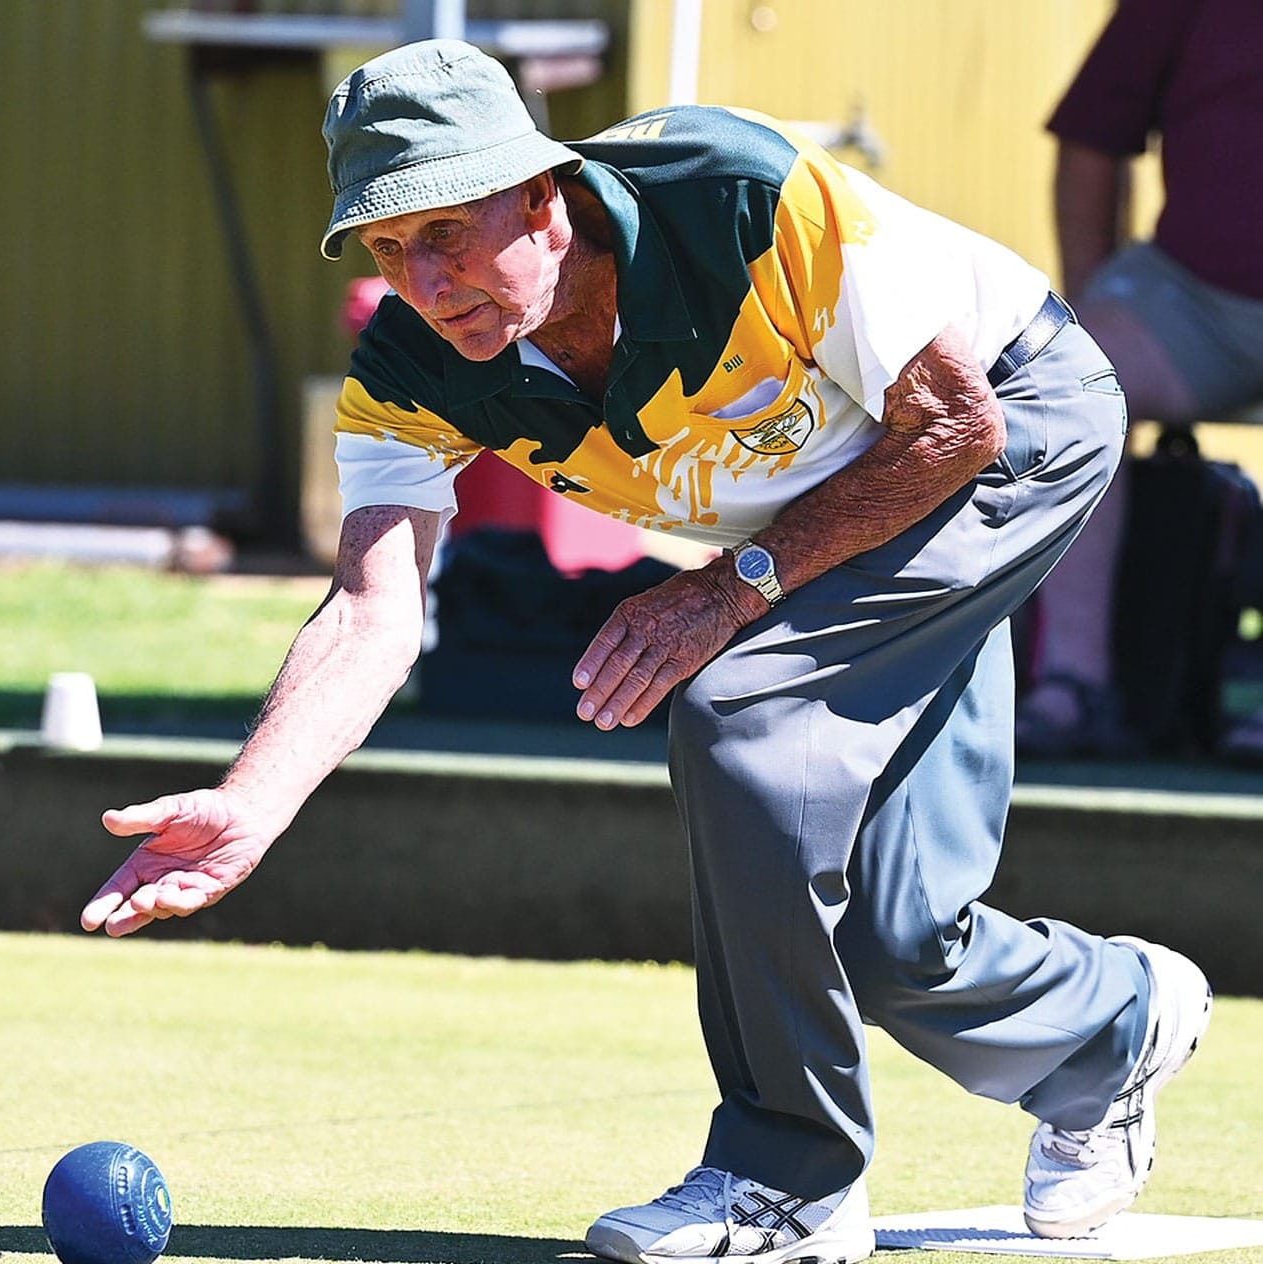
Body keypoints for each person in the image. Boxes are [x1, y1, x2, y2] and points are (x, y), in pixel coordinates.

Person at [80, 41, 1213, 1262]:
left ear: (542, 198)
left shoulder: (736, 195)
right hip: (846, 517)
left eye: (447, 230)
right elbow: (372, 605)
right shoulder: (413, 369)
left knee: (739, 711)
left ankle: (788, 1180)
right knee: (896, 934)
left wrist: (730, 589)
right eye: (388, 249)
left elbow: (953, 422)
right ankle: (1113, 1024)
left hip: (1007, 430)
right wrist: (254, 800)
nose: (425, 279)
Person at [1017, 0, 1263, 758]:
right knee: (1062, 379)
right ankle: (1073, 685)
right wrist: (1087, 307)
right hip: (1197, 300)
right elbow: (1091, 138)